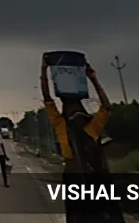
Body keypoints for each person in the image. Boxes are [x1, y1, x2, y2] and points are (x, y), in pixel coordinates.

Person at [41, 54, 124, 223]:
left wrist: (93, 79)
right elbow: (48, 99)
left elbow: (106, 107)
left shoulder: (91, 128)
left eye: (77, 108)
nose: (74, 113)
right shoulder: (61, 124)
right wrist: (44, 70)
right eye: (70, 109)